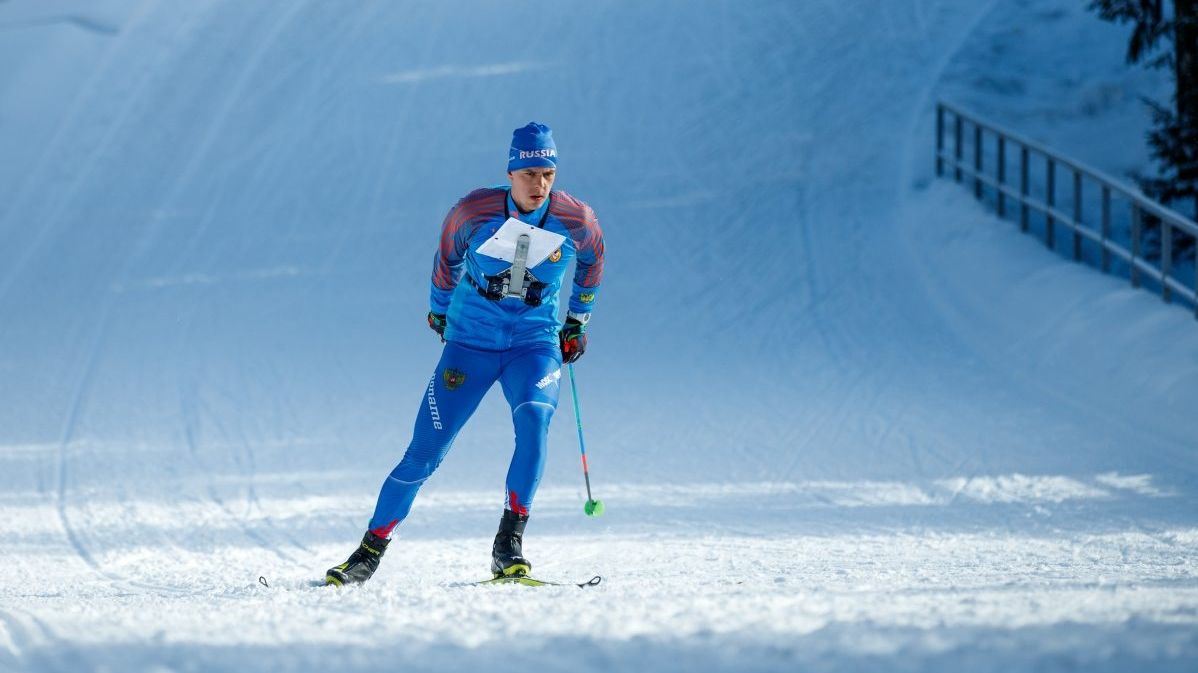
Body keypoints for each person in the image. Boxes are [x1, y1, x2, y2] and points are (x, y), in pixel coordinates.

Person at [326, 122, 605, 585]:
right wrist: (438, 311)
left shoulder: (575, 219)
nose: (539, 184)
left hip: (533, 345)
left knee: (534, 424)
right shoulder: (473, 211)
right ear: (510, 173)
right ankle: (367, 552)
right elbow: (446, 260)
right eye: (529, 174)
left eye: (548, 174)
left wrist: (578, 320)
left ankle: (508, 545)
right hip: (471, 344)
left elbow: (593, 261)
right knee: (424, 454)